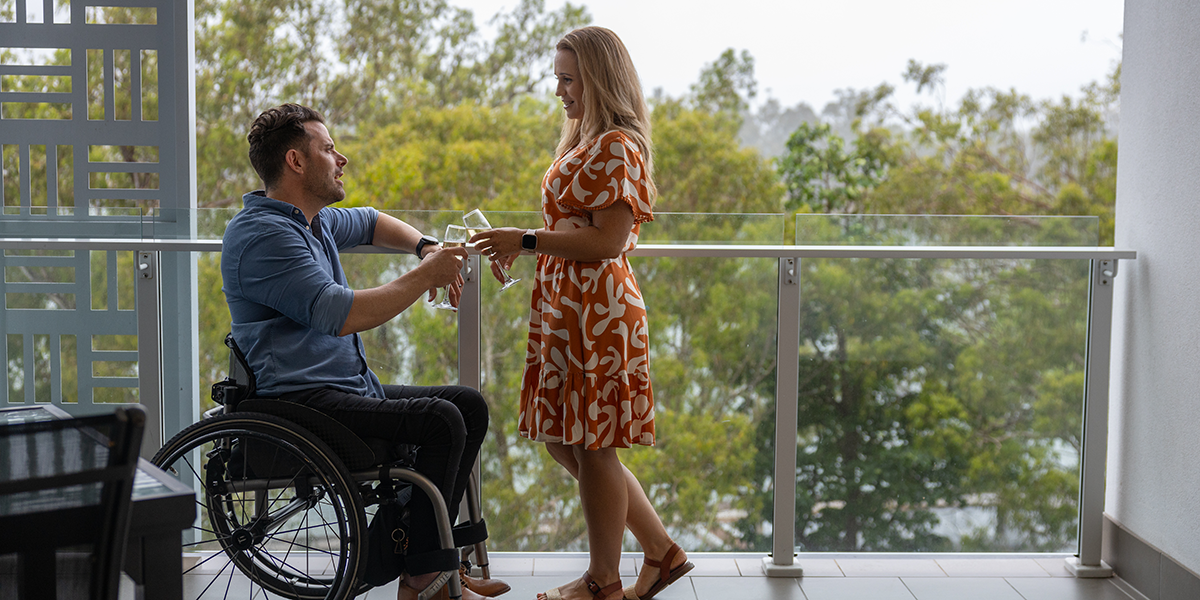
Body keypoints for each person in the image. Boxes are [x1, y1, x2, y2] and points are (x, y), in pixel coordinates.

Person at [222, 103, 509, 600]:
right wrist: (426, 277)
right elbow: (339, 314)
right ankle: (425, 578)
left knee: (468, 405)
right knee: (440, 421)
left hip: (344, 390)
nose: (341, 158)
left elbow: (373, 221)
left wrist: (426, 249)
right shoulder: (262, 236)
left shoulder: (312, 224)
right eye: (329, 148)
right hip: (301, 401)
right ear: (295, 161)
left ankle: (429, 566)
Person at [469, 27, 693, 600]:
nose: (560, 91)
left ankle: (603, 582)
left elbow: (609, 241)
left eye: (569, 79)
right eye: (558, 79)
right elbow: (573, 228)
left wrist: (525, 240)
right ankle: (661, 553)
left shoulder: (618, 143)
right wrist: (522, 247)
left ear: (598, 78)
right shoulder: (583, 139)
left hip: (598, 312)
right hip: (568, 307)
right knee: (566, 441)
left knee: (592, 444)